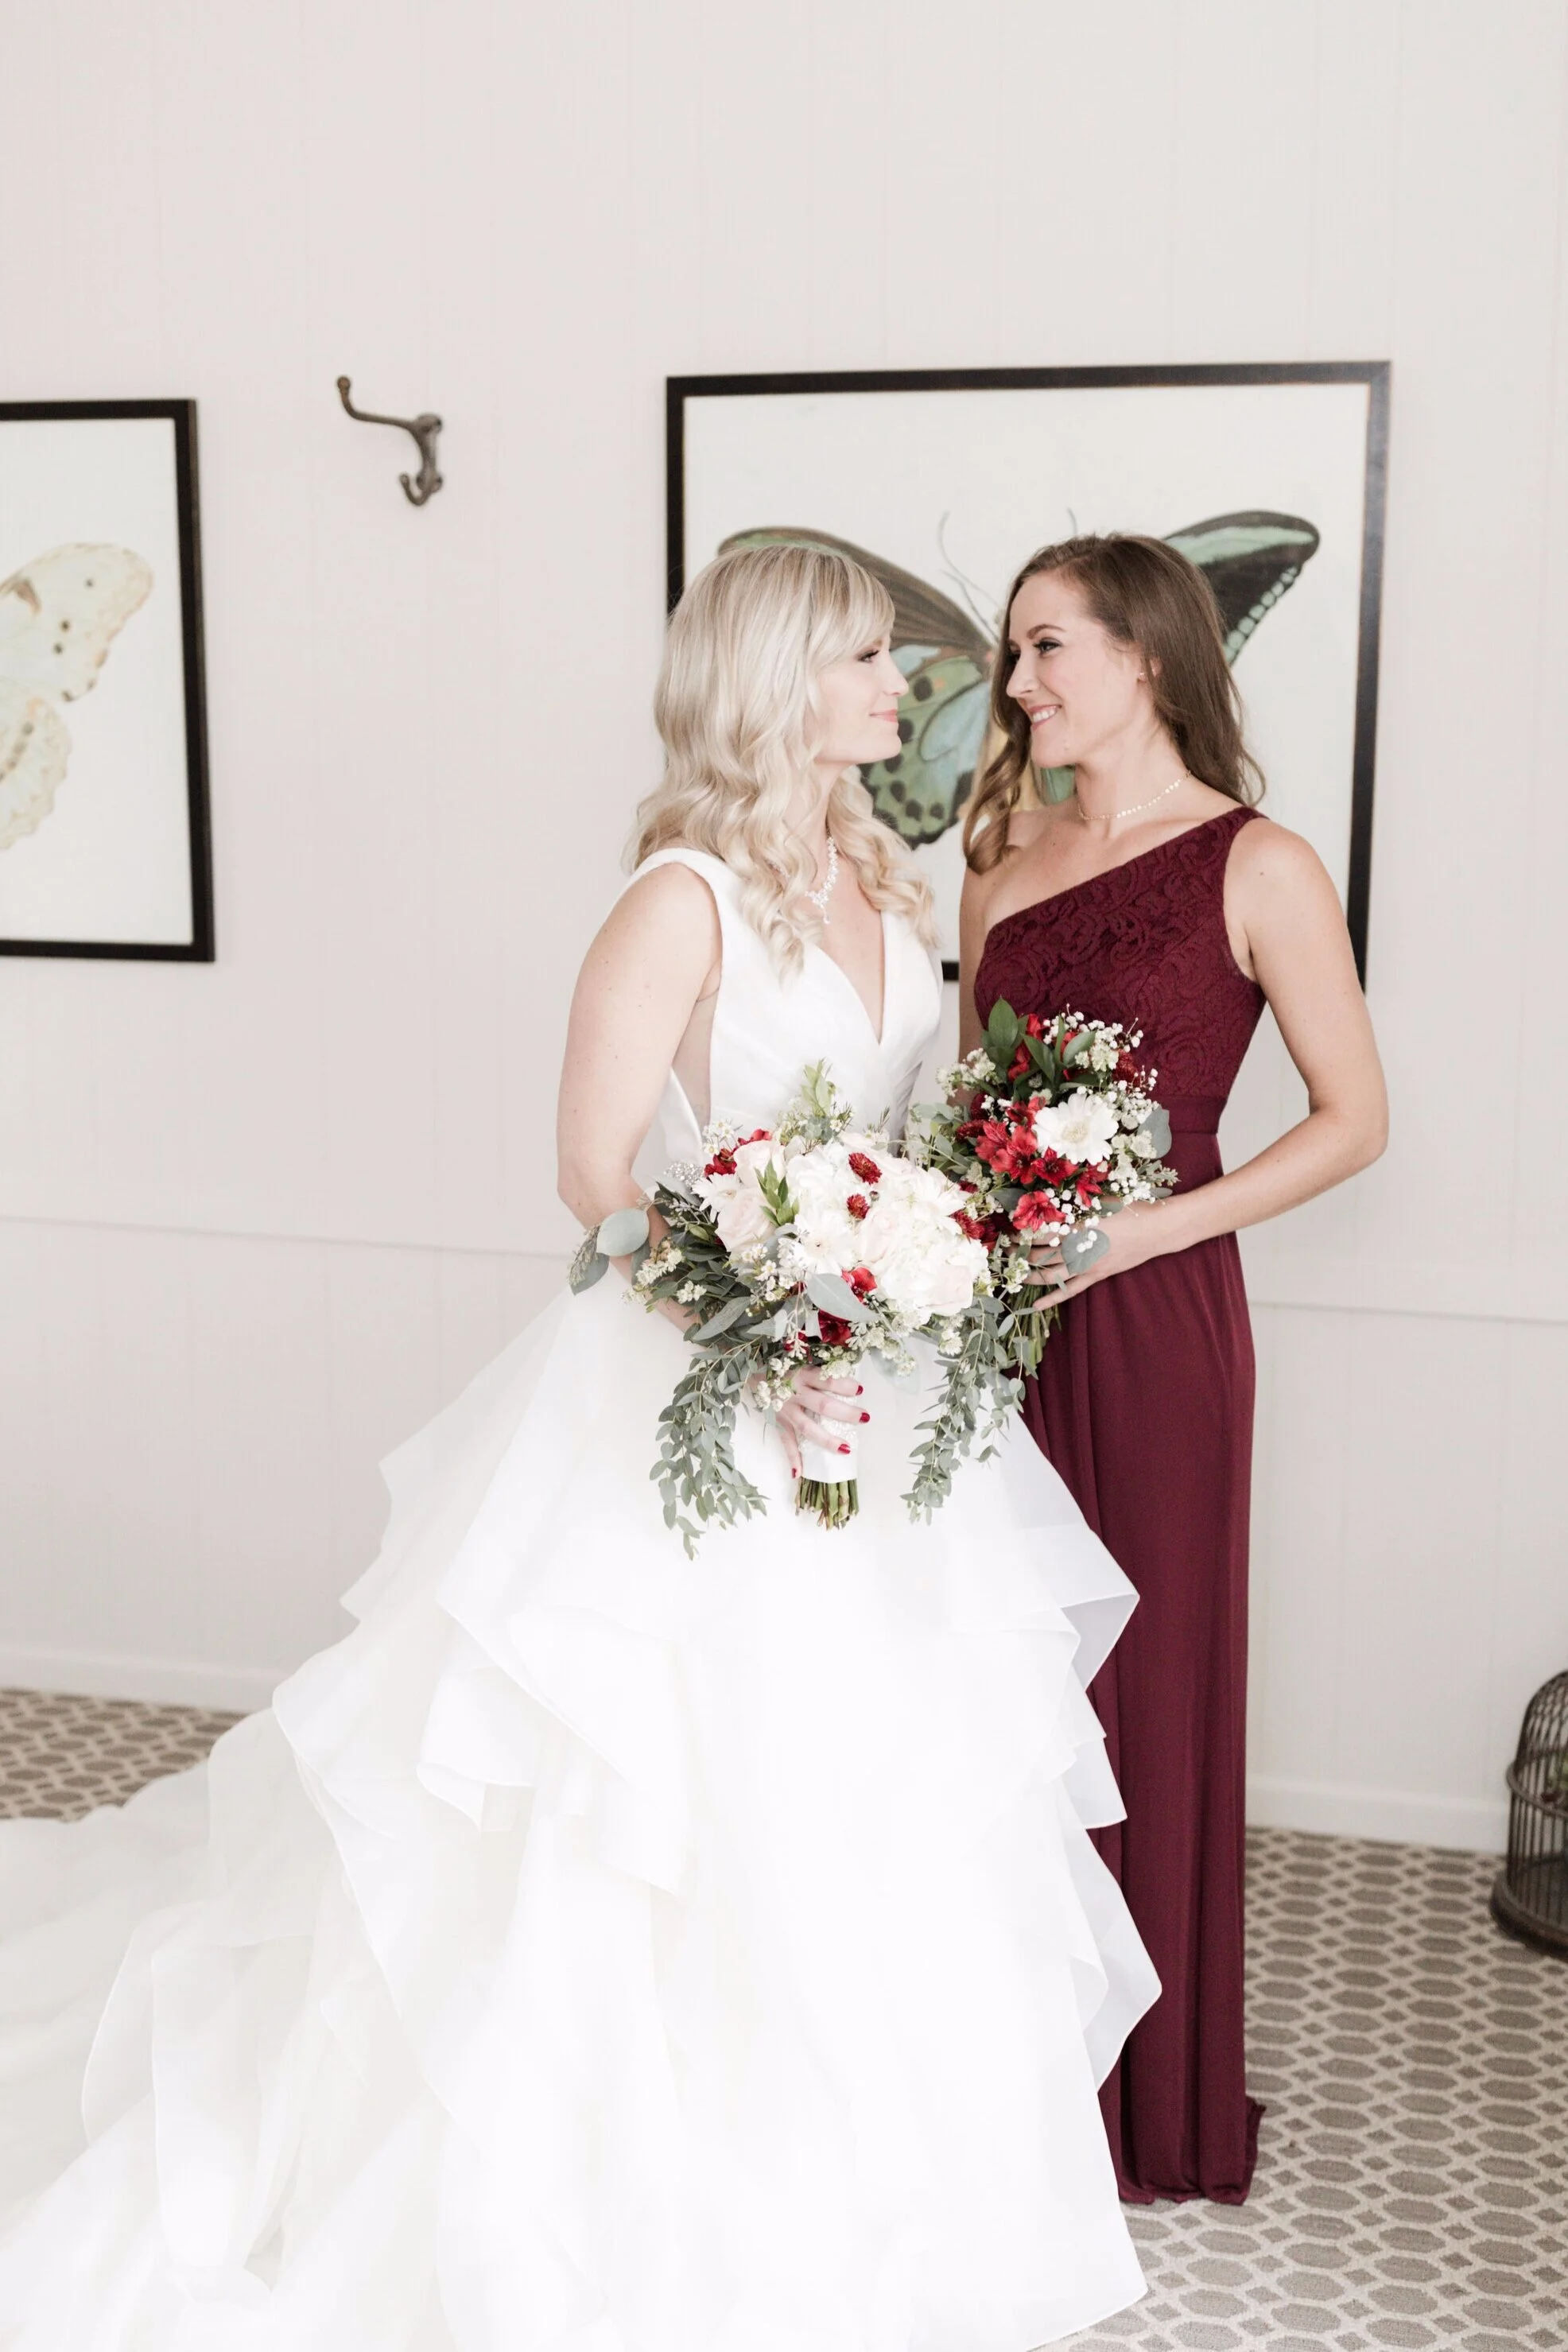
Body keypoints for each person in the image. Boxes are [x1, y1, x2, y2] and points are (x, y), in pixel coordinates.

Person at [0, 542, 1160, 2350]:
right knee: (636, 1808)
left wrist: (945, 1243)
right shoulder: (675, 900)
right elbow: (595, 1180)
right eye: (866, 658)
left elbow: (896, 1133)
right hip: (697, 1393)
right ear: (778, 682)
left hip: (877, 1387)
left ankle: (859, 2201)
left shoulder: (892, 872)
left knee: (872, 1799)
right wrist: (766, 1333)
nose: (901, 687)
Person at [960, 533, 1388, 2205]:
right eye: (1010, 653)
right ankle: (1000, 2068)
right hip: (992, 1322)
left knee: (1140, 1692)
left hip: (1152, 1322)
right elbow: (959, 1100)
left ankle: (1146, 2108)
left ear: (1144, 652)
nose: (1017, 686)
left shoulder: (1257, 864)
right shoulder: (994, 855)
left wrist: (1143, 1233)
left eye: (1045, 647)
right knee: (997, 1683)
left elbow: (1356, 1124)